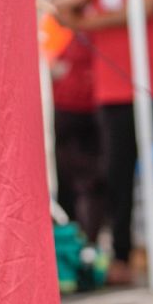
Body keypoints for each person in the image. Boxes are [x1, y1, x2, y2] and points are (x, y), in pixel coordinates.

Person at [52, 0, 153, 286]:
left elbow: (146, 7)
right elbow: (67, 0)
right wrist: (71, 11)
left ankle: (146, 251)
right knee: (115, 176)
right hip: (112, 89)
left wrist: (86, 22)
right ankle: (120, 255)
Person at [52, 23, 104, 247]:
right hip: (68, 111)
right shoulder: (63, 30)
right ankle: (74, 243)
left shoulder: (89, 28)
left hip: (90, 112)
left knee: (91, 183)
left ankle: (84, 243)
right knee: (70, 182)